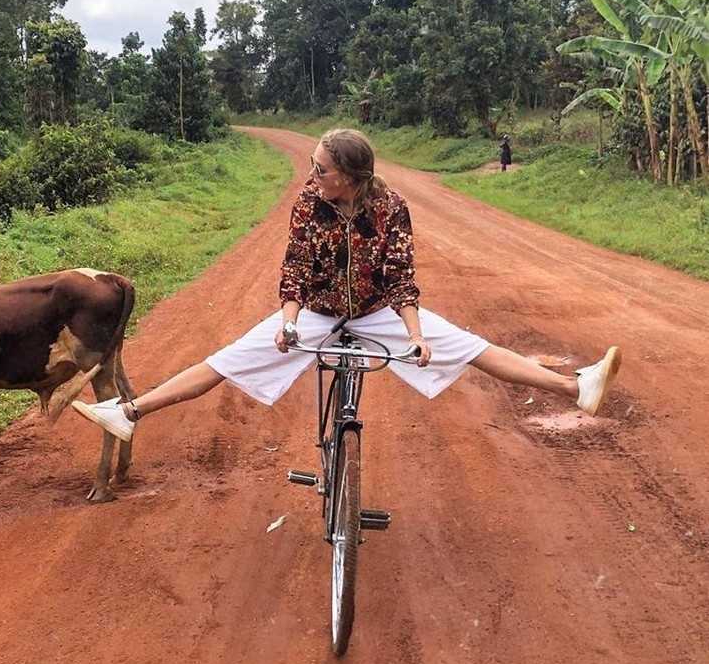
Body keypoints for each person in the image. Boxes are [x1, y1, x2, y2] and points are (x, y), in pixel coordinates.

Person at [72, 128, 621, 442]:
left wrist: (416, 336)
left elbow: (403, 278)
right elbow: (294, 270)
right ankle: (130, 412)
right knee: (226, 360)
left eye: (322, 170)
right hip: (312, 312)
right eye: (312, 168)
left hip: (380, 312)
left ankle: (577, 389)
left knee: (471, 348)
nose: (312, 178)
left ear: (351, 178)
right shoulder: (309, 205)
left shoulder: (391, 208)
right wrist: (288, 323)